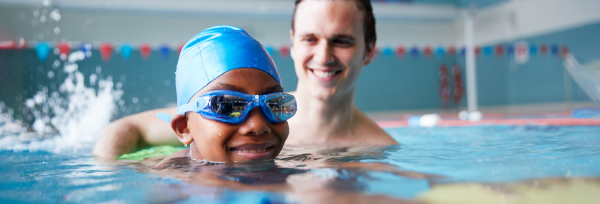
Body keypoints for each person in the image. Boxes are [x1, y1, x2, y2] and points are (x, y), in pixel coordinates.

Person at [93, 0, 397, 159]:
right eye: (310, 39)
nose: (323, 55)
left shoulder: (377, 149)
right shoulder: (212, 114)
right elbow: (126, 128)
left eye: (342, 41)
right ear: (292, 42)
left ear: (369, 50)